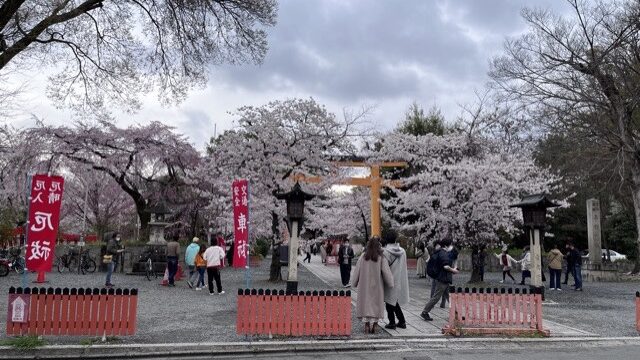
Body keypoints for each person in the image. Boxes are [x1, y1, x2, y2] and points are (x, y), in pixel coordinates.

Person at [350, 236, 394, 334]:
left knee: (365, 303)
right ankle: (374, 325)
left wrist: (354, 282)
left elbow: (357, 270)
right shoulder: (381, 257)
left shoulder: (363, 256)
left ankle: (366, 325)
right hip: (377, 285)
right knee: (376, 304)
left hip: (364, 285)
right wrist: (391, 283)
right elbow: (386, 272)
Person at [421, 238, 458, 321]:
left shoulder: (439, 252)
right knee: (436, 297)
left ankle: (456, 314)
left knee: (449, 297)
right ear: (446, 245)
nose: (452, 246)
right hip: (443, 279)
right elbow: (445, 266)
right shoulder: (443, 254)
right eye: (451, 244)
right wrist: (454, 270)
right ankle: (425, 312)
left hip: (442, 278)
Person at [382, 229, 409, 330]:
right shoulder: (403, 251)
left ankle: (392, 322)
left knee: (389, 302)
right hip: (400, 278)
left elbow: (384, 267)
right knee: (393, 301)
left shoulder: (385, 252)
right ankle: (401, 321)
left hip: (390, 279)